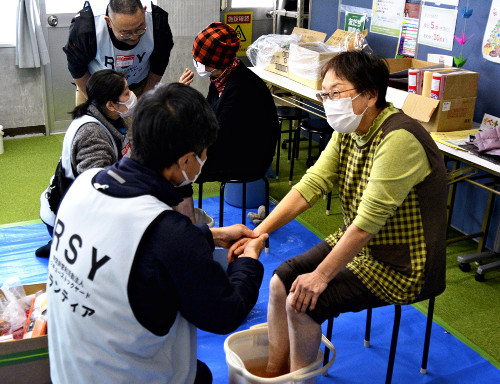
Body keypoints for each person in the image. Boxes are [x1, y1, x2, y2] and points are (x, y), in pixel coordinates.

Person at [229, 51, 447, 380]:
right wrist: (259, 233)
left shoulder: (399, 138)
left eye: (336, 93)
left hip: (402, 264)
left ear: (371, 93)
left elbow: (366, 224)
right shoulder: (350, 131)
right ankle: (276, 371)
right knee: (279, 283)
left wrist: (321, 276)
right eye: (325, 94)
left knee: (302, 303)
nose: (329, 101)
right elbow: (311, 185)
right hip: (359, 246)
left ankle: (301, 379)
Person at [46, 83, 269, 384]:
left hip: (70, 370)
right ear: (187, 160)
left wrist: (209, 235)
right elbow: (225, 312)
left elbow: (131, 247)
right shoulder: (169, 234)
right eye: (203, 153)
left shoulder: (84, 184)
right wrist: (249, 262)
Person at [36, 69, 134, 258]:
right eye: (127, 93)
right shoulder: (92, 133)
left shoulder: (108, 117)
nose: (131, 96)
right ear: (111, 104)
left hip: (75, 207)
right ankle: (61, 242)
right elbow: (98, 188)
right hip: (68, 215)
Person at [189, 22, 279, 183]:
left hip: (247, 159)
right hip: (230, 146)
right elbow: (208, 115)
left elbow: (219, 135)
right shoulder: (221, 77)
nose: (196, 62)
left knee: (178, 166)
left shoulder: (242, 88)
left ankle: (183, 209)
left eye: (199, 59)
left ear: (215, 62)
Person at [63, 0, 174, 105]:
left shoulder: (158, 22)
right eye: (126, 33)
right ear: (109, 22)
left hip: (139, 85)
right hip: (94, 86)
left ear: (144, 12)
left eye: (140, 29)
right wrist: (95, 102)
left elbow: (159, 63)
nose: (134, 37)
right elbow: (76, 68)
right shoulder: (86, 28)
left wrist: (145, 96)